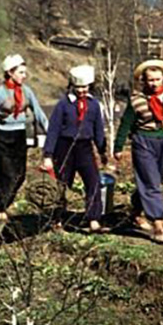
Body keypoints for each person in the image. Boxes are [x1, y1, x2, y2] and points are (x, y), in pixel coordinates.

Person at [113, 59, 163, 245]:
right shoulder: (136, 100)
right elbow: (126, 124)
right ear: (144, 81)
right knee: (151, 182)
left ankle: (135, 212)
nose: (153, 83)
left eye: (157, 79)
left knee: (154, 180)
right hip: (142, 141)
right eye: (150, 80)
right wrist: (118, 147)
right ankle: (158, 223)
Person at [0, 54, 49, 222]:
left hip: (19, 136)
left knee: (20, 175)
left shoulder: (27, 92)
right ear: (10, 73)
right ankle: (0, 208)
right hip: (1, 136)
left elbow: (39, 113)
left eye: (24, 72)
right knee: (6, 174)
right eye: (20, 72)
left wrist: (50, 132)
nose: (24, 76)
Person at [42, 65, 108, 233]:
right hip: (64, 147)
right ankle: (57, 218)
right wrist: (48, 154)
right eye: (78, 87)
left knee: (93, 181)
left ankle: (93, 218)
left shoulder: (94, 106)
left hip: (85, 147)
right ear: (72, 86)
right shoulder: (63, 105)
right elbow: (53, 129)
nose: (82, 90)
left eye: (85, 87)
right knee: (63, 183)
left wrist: (102, 150)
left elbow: (98, 129)